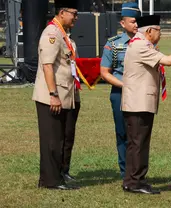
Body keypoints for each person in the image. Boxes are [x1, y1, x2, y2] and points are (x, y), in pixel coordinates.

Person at [121, 15, 171, 195]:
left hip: (137, 101)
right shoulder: (141, 45)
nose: (160, 34)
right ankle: (136, 181)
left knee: (136, 143)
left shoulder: (139, 43)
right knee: (139, 143)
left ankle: (132, 180)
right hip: (138, 103)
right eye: (159, 30)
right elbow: (168, 61)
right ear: (149, 31)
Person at [32, 0, 80, 190]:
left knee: (63, 137)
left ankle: (59, 175)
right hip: (52, 95)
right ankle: (50, 181)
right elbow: (47, 65)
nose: (76, 17)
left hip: (65, 94)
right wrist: (53, 94)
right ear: (62, 12)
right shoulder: (52, 33)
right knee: (52, 140)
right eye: (73, 13)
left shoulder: (62, 33)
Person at [100, 2, 140, 179]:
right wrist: (125, 85)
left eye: (138, 21)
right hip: (120, 93)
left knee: (138, 134)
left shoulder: (147, 43)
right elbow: (104, 73)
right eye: (132, 21)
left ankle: (137, 172)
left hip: (141, 95)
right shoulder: (113, 45)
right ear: (123, 24)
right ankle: (126, 172)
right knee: (122, 133)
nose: (137, 25)